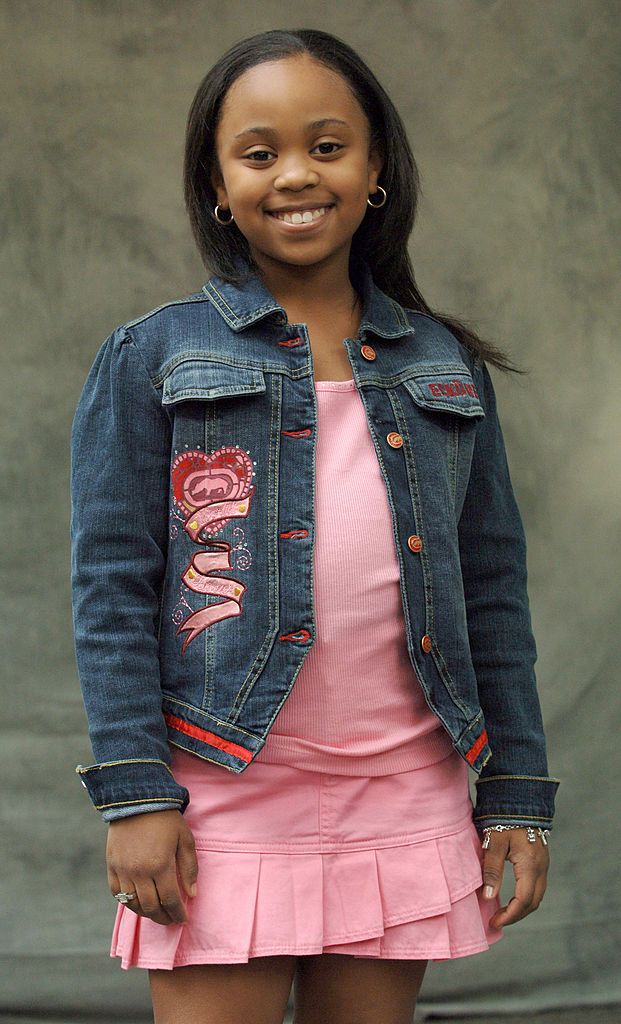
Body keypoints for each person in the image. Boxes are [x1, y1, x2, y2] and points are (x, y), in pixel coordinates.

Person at [69, 27, 560, 1024]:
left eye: (328, 146)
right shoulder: (152, 355)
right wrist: (136, 793)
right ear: (218, 181)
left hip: (403, 784)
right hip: (224, 781)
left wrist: (515, 791)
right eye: (260, 152)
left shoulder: (442, 366)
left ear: (377, 167)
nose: (296, 173)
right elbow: (113, 584)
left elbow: (492, 590)